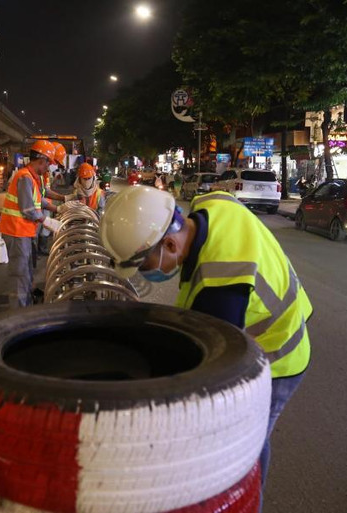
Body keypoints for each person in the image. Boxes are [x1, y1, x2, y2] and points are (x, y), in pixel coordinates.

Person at [99, 186, 312, 498]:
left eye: (144, 266)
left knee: (246, 445)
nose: (145, 275)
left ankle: (250, 500)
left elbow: (213, 374)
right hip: (271, 326)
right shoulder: (211, 203)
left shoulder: (221, 288)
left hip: (278, 357)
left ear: (170, 243)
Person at [0, 140, 62, 307]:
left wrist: (60, 207)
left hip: (23, 231)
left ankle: (26, 305)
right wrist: (47, 220)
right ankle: (19, 314)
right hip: (16, 231)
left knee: (26, 272)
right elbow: (28, 208)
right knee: (20, 275)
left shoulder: (32, 177)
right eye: (48, 163)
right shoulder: (25, 177)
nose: (48, 168)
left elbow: (39, 200)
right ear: (41, 160)